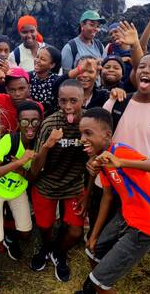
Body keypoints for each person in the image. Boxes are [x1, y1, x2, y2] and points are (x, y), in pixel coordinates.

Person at [98, 53, 150, 293]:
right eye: (141, 66)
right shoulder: (117, 102)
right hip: (109, 184)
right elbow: (98, 139)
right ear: (134, 74)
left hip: (143, 187)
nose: (146, 70)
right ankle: (101, 276)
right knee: (105, 230)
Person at [76, 107, 150, 294]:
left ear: (107, 135)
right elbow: (107, 198)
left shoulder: (120, 153)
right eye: (81, 133)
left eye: (88, 133)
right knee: (92, 250)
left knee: (100, 283)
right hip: (126, 216)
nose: (82, 138)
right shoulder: (102, 160)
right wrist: (93, 234)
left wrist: (121, 162)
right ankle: (97, 283)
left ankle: (99, 283)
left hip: (147, 226)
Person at [28, 79, 89, 282]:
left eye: (74, 100)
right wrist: (48, 145)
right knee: (44, 227)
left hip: (74, 185)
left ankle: (59, 252)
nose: (68, 107)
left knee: (75, 232)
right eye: (63, 101)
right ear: (58, 101)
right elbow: (36, 167)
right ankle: (46, 248)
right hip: (46, 185)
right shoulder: (49, 124)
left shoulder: (89, 124)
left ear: (84, 99)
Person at [0, 101, 42, 293]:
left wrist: (22, 169)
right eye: (25, 122)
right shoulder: (9, 141)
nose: (30, 126)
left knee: (25, 233)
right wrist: (19, 164)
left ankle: (10, 236)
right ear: (18, 123)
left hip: (17, 191)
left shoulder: (40, 145)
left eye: (35, 121)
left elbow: (33, 177)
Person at [29, 46, 62, 117]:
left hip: (51, 122)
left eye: (43, 59)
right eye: (37, 57)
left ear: (52, 65)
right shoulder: (29, 77)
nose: (37, 60)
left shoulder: (57, 81)